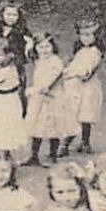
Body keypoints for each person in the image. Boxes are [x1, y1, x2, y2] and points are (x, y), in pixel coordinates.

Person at [25, 33, 76, 166]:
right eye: (40, 47)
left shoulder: (56, 62)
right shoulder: (38, 60)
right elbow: (28, 54)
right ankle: (34, 156)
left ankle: (53, 156)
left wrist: (34, 90)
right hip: (39, 99)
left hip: (54, 98)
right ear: (35, 48)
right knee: (37, 126)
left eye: (47, 46)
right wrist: (29, 44)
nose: (44, 50)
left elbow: (51, 80)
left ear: (53, 47)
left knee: (54, 127)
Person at [60, 20, 104, 155]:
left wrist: (69, 72)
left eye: (89, 35)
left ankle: (77, 143)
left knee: (86, 115)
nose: (85, 38)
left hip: (88, 88)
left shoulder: (95, 52)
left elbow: (86, 72)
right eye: (83, 35)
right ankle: (72, 143)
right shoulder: (80, 51)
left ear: (96, 37)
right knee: (73, 114)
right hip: (75, 87)